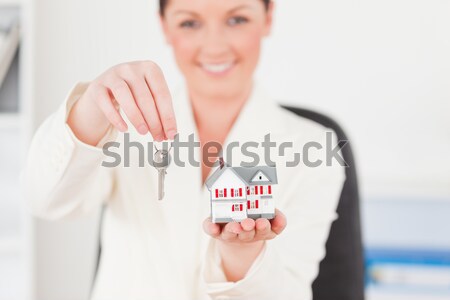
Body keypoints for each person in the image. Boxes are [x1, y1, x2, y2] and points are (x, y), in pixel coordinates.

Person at [24, 0, 346, 299]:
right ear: (164, 25)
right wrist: (91, 110)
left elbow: (287, 292)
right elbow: (45, 200)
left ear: (269, 17)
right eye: (190, 23)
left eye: (237, 19)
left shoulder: (315, 149)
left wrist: (241, 257)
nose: (215, 46)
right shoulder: (122, 125)